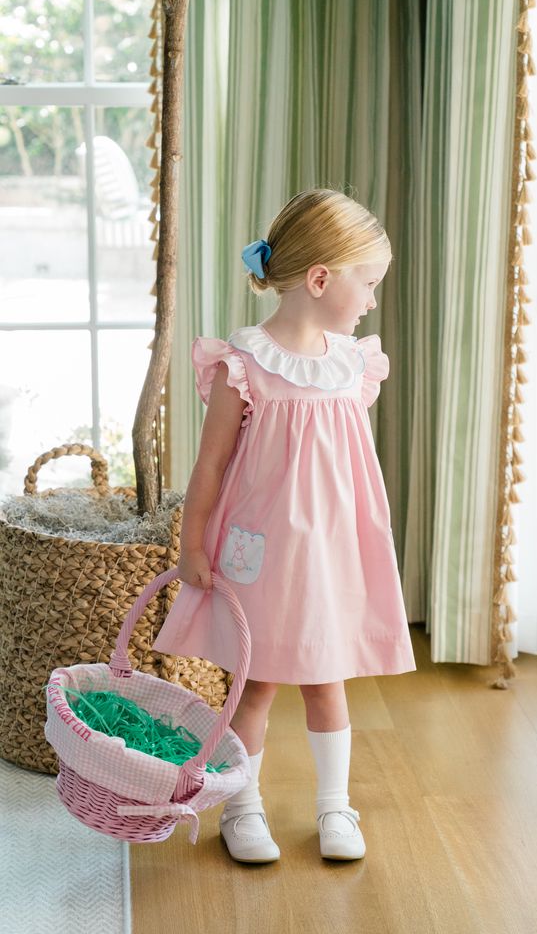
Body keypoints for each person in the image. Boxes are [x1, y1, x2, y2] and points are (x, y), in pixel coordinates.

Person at [153, 187, 417, 864]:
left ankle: (335, 806)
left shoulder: (352, 364)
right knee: (257, 683)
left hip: (331, 552)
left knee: (328, 679)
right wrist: (191, 544)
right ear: (321, 279)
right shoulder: (245, 365)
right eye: (369, 283)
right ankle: (242, 808)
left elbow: (340, 466)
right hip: (261, 553)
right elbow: (211, 467)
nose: (373, 300)